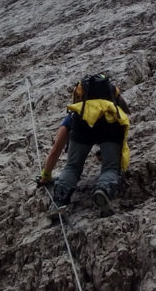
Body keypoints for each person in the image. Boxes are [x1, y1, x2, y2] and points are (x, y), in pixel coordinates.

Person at [52, 73, 131, 217]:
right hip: (110, 125)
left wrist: (45, 176)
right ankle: (103, 190)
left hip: (82, 125)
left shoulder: (79, 99)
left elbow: (56, 148)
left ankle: (58, 200)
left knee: (72, 166)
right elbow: (125, 109)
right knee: (111, 167)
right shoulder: (112, 90)